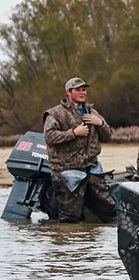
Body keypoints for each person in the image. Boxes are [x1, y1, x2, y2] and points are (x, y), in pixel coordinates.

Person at [43, 77, 115, 222]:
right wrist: (74, 133)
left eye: (84, 89)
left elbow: (108, 137)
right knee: (69, 217)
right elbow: (49, 137)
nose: (82, 92)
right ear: (68, 92)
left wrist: (100, 123)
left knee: (109, 210)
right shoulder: (55, 113)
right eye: (78, 90)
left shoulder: (92, 113)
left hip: (92, 170)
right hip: (66, 171)